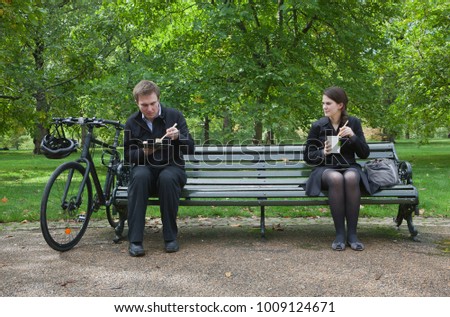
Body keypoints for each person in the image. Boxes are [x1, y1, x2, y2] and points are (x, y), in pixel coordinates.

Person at [124, 80, 195, 257]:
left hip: (172, 168)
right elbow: (128, 155)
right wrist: (144, 152)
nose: (149, 109)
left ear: (158, 99)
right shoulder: (132, 122)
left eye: (153, 104)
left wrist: (179, 137)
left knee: (167, 178)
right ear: (137, 103)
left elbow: (190, 148)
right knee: (139, 177)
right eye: (144, 105)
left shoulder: (174, 116)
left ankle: (170, 237)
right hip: (145, 169)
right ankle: (135, 241)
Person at [304, 86, 371, 251]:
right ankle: (340, 235)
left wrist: (353, 137)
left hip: (348, 166)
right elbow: (308, 155)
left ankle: (353, 235)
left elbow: (364, 154)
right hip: (325, 169)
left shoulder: (353, 123)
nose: (324, 107)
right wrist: (323, 151)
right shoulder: (318, 125)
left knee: (351, 177)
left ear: (340, 105)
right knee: (336, 178)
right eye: (323, 103)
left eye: (328, 103)